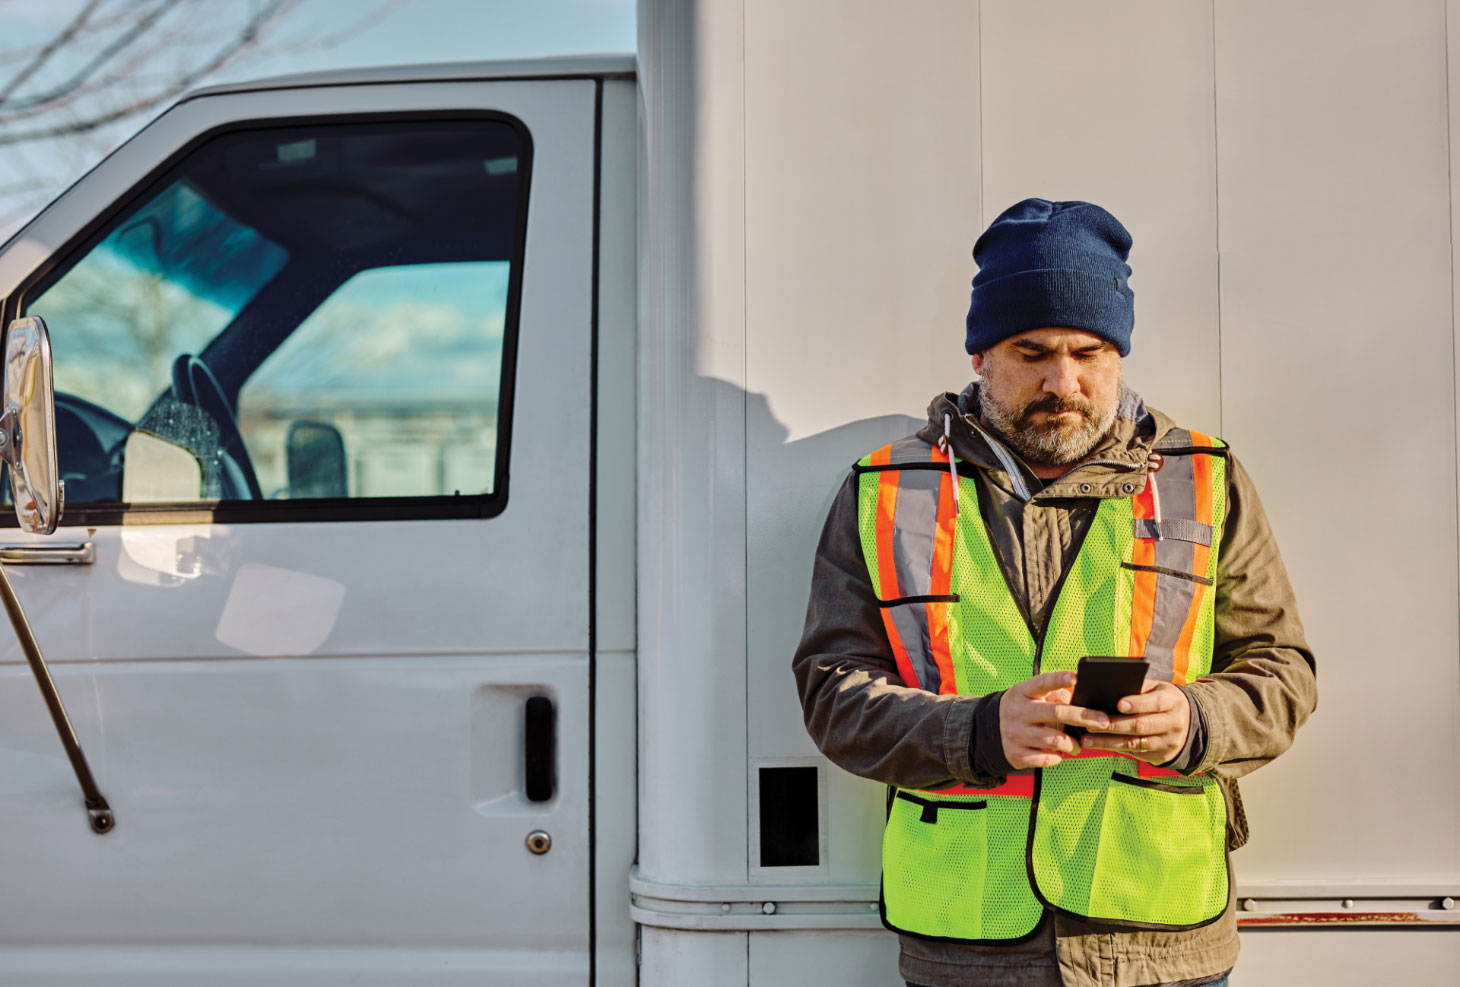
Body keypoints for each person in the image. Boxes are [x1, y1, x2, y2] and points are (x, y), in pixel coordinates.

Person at [793, 198, 1316, 987]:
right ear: (980, 356)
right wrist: (975, 731)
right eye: (1031, 351)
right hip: (966, 941)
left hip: (1164, 939)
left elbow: (1284, 673)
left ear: (1119, 355)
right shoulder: (886, 488)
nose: (1062, 380)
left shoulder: (1204, 478)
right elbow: (833, 695)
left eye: (1090, 352)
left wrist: (1195, 720)